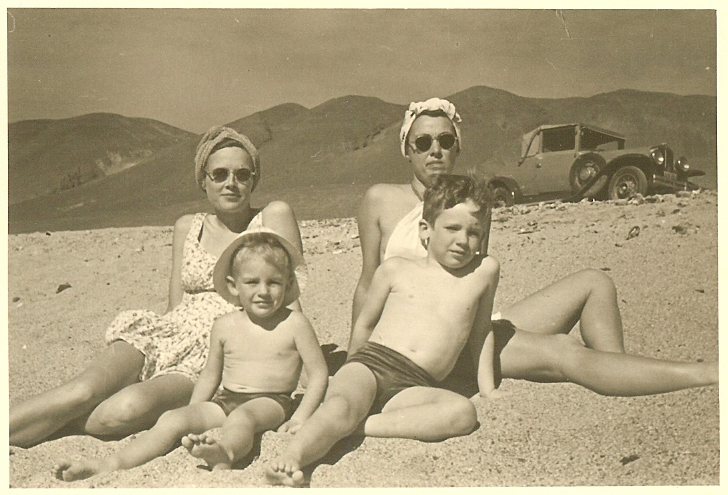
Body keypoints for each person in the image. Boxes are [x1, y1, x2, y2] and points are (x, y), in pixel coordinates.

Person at [266, 174, 717, 487]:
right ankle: (297, 457)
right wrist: (346, 370)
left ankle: (363, 428)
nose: (464, 240)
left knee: (460, 414)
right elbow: (363, 324)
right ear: (425, 231)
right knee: (342, 404)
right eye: (453, 229)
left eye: (475, 232)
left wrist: (487, 388)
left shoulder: (484, 272)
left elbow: (481, 332)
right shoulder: (398, 268)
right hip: (374, 362)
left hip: (419, 383)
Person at [10, 126, 305, 448]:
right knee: (81, 392)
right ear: (203, 180)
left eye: (242, 174)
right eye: (219, 174)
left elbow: (290, 300)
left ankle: (49, 425)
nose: (230, 183)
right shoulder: (187, 226)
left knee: (119, 412)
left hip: (215, 353)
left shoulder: (273, 216)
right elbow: (175, 305)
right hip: (166, 333)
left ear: (254, 180)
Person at [353, 97, 626, 393]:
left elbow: (475, 280)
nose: (435, 151)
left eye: (445, 141)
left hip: (468, 333)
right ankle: (622, 377)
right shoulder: (380, 200)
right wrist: (354, 368)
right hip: (417, 347)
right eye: (422, 142)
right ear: (407, 150)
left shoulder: (475, 205)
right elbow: (367, 284)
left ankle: (619, 371)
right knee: (561, 350)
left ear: (457, 147)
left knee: (595, 281)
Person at [54, 230, 328, 481]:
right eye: (252, 282)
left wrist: (301, 416)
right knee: (172, 420)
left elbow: (318, 373)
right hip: (225, 398)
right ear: (234, 286)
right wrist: (193, 409)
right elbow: (211, 374)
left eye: (274, 282)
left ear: (289, 284)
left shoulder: (294, 324)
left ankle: (227, 453)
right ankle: (111, 463)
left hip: (271, 401)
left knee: (242, 419)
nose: (263, 291)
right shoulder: (224, 325)